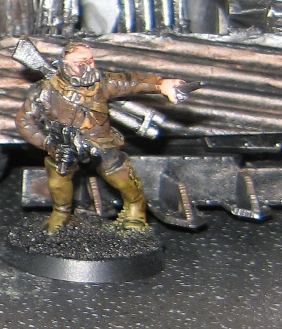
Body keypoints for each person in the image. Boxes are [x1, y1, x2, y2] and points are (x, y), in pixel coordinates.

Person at [16, 40, 190, 232]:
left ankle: (135, 209)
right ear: (65, 63)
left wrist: (161, 84)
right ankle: (61, 213)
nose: (87, 66)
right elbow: (25, 120)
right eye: (80, 62)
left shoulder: (102, 83)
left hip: (100, 140)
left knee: (119, 175)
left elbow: (131, 81)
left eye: (89, 61)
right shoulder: (45, 90)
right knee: (59, 177)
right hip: (63, 143)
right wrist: (47, 143)